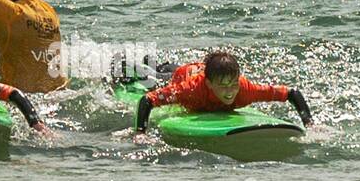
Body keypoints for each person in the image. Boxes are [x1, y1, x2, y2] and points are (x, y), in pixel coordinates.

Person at [134, 50, 314, 132]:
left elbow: (292, 93)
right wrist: (140, 133)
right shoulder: (189, 90)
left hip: (205, 70)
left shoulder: (245, 89)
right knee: (154, 78)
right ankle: (134, 66)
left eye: (233, 84)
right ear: (209, 84)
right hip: (184, 74)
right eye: (223, 86)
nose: (230, 92)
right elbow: (147, 100)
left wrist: (310, 124)